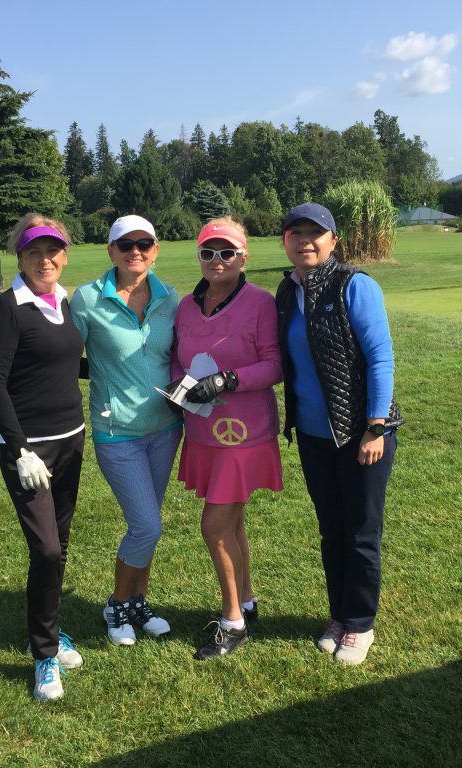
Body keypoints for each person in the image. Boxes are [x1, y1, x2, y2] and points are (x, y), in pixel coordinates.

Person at [275, 202, 402, 666]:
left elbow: (380, 357)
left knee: (361, 533)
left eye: (315, 233)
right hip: (313, 435)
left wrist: (375, 426)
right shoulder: (287, 291)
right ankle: (339, 615)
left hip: (360, 433)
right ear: (285, 241)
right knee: (331, 531)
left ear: (333, 240)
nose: (305, 241)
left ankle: (360, 623)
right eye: (296, 233)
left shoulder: (354, 285)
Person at [0, 214, 86, 702]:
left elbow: (68, 363)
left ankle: (49, 629)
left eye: (53, 250)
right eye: (34, 252)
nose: (45, 260)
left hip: (71, 439)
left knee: (58, 545)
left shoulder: (64, 300)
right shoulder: (8, 308)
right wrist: (20, 448)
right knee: (45, 549)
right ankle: (45, 655)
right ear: (19, 257)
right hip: (28, 450)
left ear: (64, 254)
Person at [171, 217, 283, 660]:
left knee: (215, 526)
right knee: (232, 522)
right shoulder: (186, 305)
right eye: (208, 252)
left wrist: (227, 380)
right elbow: (178, 358)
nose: (217, 260)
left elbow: (275, 364)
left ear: (243, 257)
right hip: (202, 431)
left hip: (244, 435)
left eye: (227, 252)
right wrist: (177, 390)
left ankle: (233, 622)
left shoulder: (260, 302)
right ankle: (247, 600)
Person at [69, 215, 182, 647]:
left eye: (144, 244)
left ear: (155, 250)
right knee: (147, 526)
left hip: (166, 429)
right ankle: (117, 604)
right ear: (111, 251)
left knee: (146, 525)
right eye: (126, 244)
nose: (136, 251)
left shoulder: (169, 297)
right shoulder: (87, 299)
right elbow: (65, 356)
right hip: (118, 433)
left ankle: (138, 601)